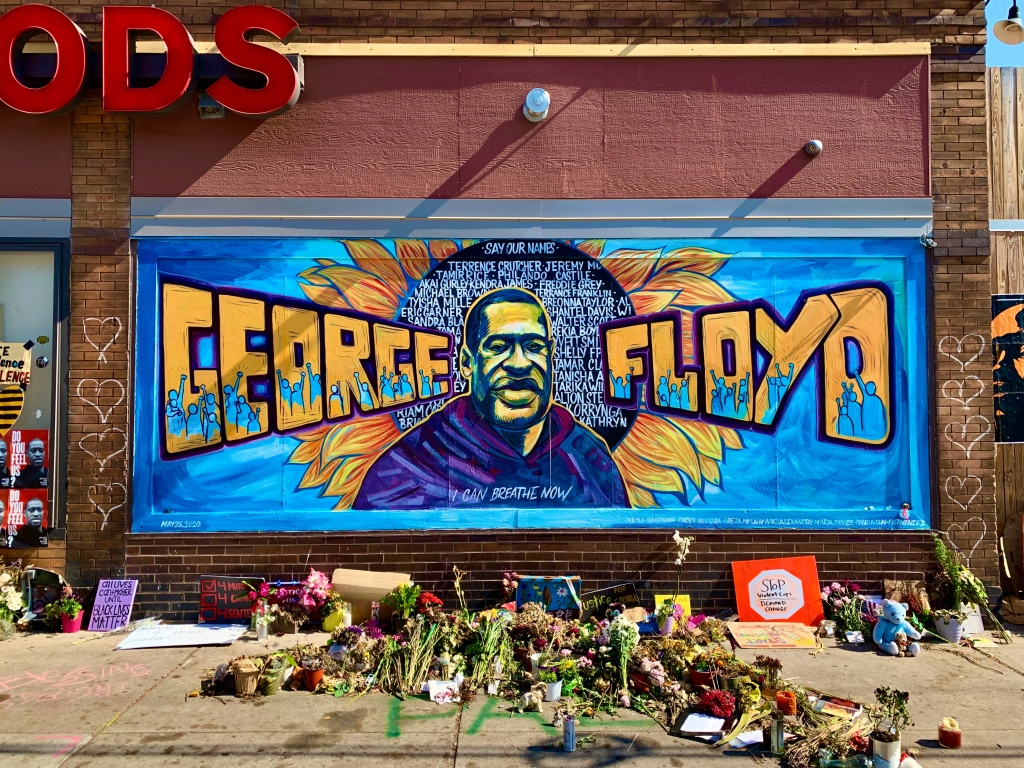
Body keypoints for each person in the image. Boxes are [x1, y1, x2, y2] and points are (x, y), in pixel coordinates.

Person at [355, 288, 628, 510]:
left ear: (551, 354)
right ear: (466, 362)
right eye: (498, 347)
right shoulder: (410, 465)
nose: (520, 364)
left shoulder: (589, 458)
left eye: (534, 346)